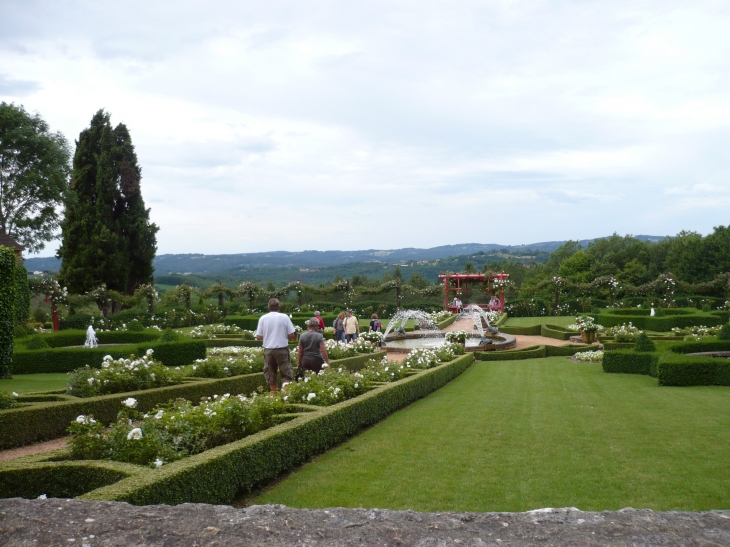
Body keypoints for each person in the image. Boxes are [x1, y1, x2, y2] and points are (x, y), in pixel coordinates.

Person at [255, 298, 297, 394]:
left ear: (268, 307)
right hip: (282, 349)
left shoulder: (263, 318)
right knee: (286, 373)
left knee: (270, 373)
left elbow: (259, 337)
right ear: (279, 307)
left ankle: (274, 394)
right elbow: (291, 335)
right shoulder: (284, 317)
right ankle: (285, 393)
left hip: (268, 350)